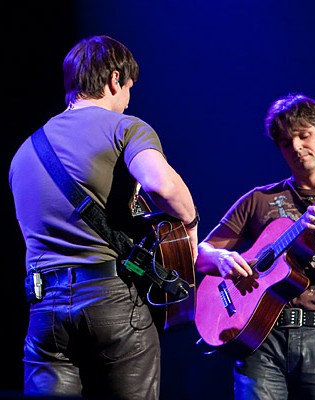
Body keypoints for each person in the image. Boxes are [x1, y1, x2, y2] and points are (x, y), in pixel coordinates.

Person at [8, 35, 199, 399]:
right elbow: (163, 185)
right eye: (128, 89)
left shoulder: (23, 153)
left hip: (45, 310)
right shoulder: (126, 128)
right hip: (109, 300)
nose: (128, 100)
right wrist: (189, 224)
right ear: (114, 80)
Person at [195, 93, 315, 399]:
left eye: (304, 135)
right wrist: (221, 258)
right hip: (259, 339)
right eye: (287, 142)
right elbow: (200, 253)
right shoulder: (259, 199)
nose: (297, 147)